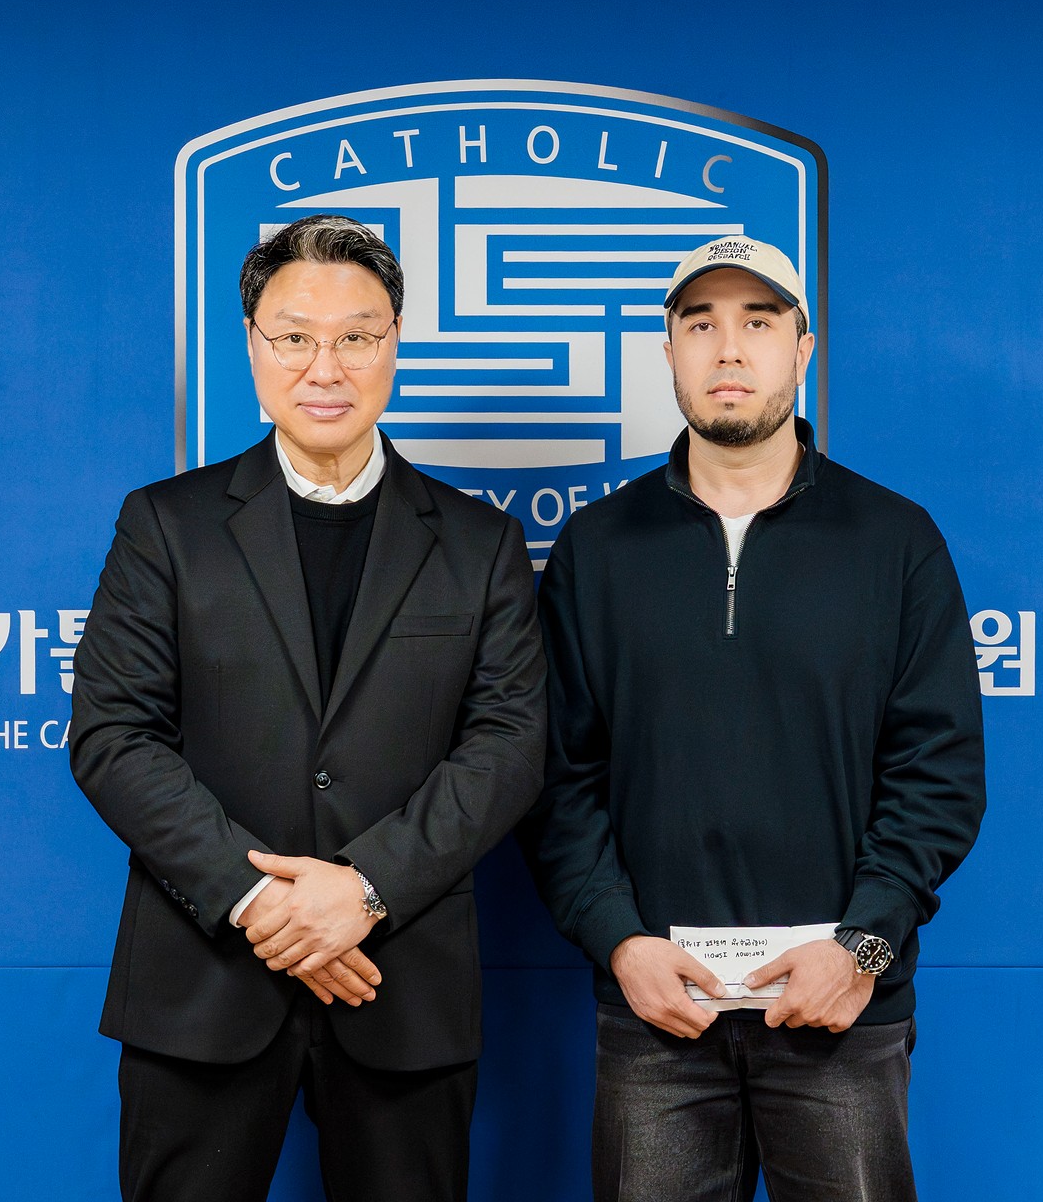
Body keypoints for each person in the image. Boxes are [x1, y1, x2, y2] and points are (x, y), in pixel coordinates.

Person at [70, 214, 545, 1202]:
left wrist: (363, 889)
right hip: (203, 980)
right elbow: (113, 734)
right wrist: (268, 907)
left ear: (395, 344)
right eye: (294, 336)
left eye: (357, 337)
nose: (325, 366)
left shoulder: (479, 543)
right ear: (252, 345)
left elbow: (508, 744)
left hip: (400, 980)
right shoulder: (166, 525)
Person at [517, 235, 985, 1201]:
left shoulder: (895, 540)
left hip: (838, 1009)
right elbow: (557, 778)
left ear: (803, 349)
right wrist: (619, 942)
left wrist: (861, 948)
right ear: (669, 352)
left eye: (759, 323)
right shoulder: (598, 549)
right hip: (659, 1013)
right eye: (701, 325)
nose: (729, 349)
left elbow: (938, 776)